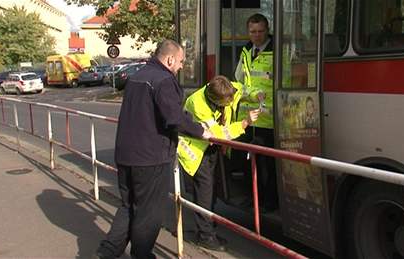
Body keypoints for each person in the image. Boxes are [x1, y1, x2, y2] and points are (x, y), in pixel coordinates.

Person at [95, 39, 212, 259]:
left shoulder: (138, 76)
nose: (180, 66)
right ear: (169, 59)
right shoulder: (164, 80)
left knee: (128, 206)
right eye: (180, 61)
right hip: (150, 158)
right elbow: (174, 117)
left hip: (126, 154)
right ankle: (142, 255)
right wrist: (202, 131)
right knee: (148, 213)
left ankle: (106, 252)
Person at [177, 75, 260, 251]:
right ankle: (205, 235)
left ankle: (208, 227)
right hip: (195, 151)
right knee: (204, 192)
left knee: (212, 189)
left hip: (209, 147)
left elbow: (243, 90)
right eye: (225, 104)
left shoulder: (228, 89)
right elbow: (218, 135)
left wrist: (257, 95)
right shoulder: (198, 104)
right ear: (214, 100)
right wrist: (244, 123)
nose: (229, 105)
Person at [234, 13, 278, 211]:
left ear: (267, 30)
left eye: (260, 31)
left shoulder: (276, 50)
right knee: (249, 162)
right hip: (249, 117)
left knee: (269, 164)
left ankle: (269, 201)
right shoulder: (246, 51)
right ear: (248, 32)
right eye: (253, 31)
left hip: (269, 119)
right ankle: (255, 198)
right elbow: (238, 78)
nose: (257, 35)